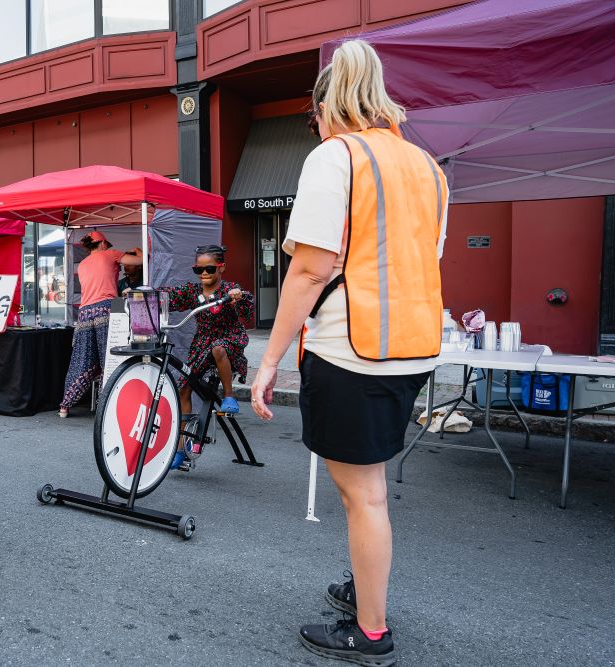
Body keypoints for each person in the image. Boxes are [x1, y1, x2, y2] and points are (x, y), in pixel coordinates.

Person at [248, 40, 448, 666]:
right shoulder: (429, 167)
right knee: (368, 488)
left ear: (328, 105)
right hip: (412, 347)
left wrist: (271, 358)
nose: (317, 127)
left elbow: (309, 270)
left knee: (362, 494)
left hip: (351, 349)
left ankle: (370, 632)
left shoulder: (337, 157)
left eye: (314, 117)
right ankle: (365, 590)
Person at [159, 245, 253, 470]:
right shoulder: (193, 292)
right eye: (198, 269)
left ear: (222, 267)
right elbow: (170, 296)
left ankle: (229, 397)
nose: (204, 274)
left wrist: (238, 298)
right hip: (202, 341)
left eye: (209, 269)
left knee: (219, 349)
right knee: (184, 386)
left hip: (229, 338)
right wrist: (144, 293)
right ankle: (181, 448)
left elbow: (247, 309)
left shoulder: (230, 289)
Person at [58, 231, 142, 417]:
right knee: (109, 358)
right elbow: (139, 261)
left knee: (81, 359)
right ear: (102, 243)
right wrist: (138, 250)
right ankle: (106, 403)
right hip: (106, 309)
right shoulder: (111, 255)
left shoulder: (83, 265)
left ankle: (65, 404)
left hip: (85, 313)